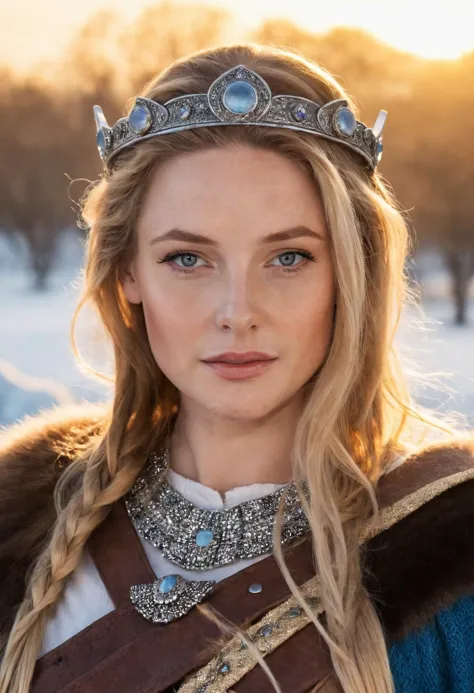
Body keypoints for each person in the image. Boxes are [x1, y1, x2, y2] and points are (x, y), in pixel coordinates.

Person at [0, 42, 473, 693]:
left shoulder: (450, 545)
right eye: (188, 259)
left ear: (350, 272)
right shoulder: (21, 523)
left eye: (288, 258)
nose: (237, 312)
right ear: (127, 271)